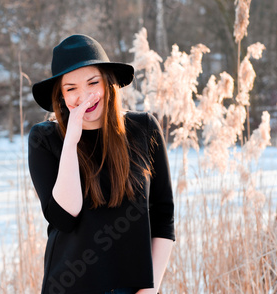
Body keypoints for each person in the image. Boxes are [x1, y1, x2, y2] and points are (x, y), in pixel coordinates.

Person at [28, 34, 175, 294]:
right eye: (71, 88)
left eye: (92, 82)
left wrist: (149, 290)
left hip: (133, 287)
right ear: (61, 95)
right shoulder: (45, 139)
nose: (84, 96)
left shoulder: (144, 128)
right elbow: (64, 216)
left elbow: (163, 215)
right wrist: (71, 141)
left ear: (108, 84)